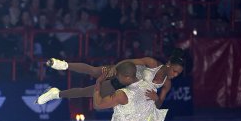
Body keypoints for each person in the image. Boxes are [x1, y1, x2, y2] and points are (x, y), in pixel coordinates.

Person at [35, 48, 185, 105]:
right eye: (175, 71)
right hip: (121, 70)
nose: (175, 75)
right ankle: (64, 65)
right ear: (169, 64)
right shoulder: (152, 63)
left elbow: (159, 105)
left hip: (121, 87)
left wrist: (156, 99)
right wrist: (116, 68)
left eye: (178, 74)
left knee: (86, 92)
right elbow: (129, 61)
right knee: (95, 71)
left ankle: (55, 94)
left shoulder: (167, 85)